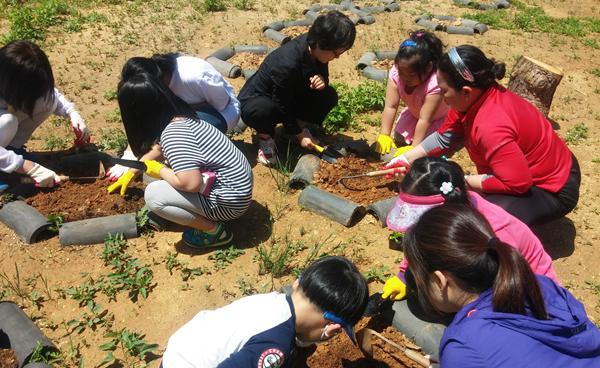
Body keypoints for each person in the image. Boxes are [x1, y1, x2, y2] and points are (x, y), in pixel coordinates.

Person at [386, 45, 580, 225]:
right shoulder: (471, 99)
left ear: (466, 91)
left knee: (475, 221)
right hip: (527, 172)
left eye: (444, 90)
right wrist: (406, 158)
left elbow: (518, 183)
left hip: (552, 188)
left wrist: (464, 181)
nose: (442, 96)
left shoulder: (490, 126)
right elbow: (445, 138)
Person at [402, 204, 600, 367]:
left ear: (440, 281)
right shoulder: (541, 284)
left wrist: (460, 359)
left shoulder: (465, 346)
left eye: (421, 282)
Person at [381, 157, 558, 302]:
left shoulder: (494, 233)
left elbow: (505, 284)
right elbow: (419, 234)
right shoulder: (456, 204)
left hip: (526, 292)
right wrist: (404, 274)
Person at [109, 73, 252, 248]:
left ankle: (215, 232)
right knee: (170, 171)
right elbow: (160, 149)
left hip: (230, 203)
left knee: (154, 196)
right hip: (236, 188)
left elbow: (190, 184)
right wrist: (133, 170)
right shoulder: (181, 118)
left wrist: (159, 169)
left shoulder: (174, 134)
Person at [160, 256, 369, 368]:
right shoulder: (275, 345)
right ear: (331, 325)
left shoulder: (274, 303)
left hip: (179, 354)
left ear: (297, 284)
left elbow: (296, 335)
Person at [238, 10, 355, 166]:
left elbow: (321, 77)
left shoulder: (316, 50)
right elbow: (281, 102)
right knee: (263, 110)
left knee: (328, 95)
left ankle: (291, 131)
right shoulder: (287, 62)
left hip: (290, 94)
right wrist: (301, 136)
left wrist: (322, 81)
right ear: (322, 44)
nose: (337, 57)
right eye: (336, 53)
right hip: (261, 100)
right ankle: (266, 138)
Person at [107, 53, 241, 180]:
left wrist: (134, 169)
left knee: (177, 134)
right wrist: (129, 153)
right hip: (186, 110)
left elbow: (223, 103)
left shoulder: (194, 76)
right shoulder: (155, 79)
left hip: (220, 112)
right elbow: (140, 119)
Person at [0, 40, 90, 188]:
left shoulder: (10, 81)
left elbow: (50, 93)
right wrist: (27, 166)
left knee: (47, 101)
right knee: (7, 123)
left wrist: (72, 113)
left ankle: (10, 152)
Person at [374, 30, 448, 157]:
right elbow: (390, 106)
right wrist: (384, 134)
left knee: (427, 151)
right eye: (402, 72)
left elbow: (425, 119)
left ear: (428, 67)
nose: (405, 78)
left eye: (411, 75)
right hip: (415, 114)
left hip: (435, 119)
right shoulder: (397, 73)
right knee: (399, 138)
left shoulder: (435, 84)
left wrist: (414, 149)